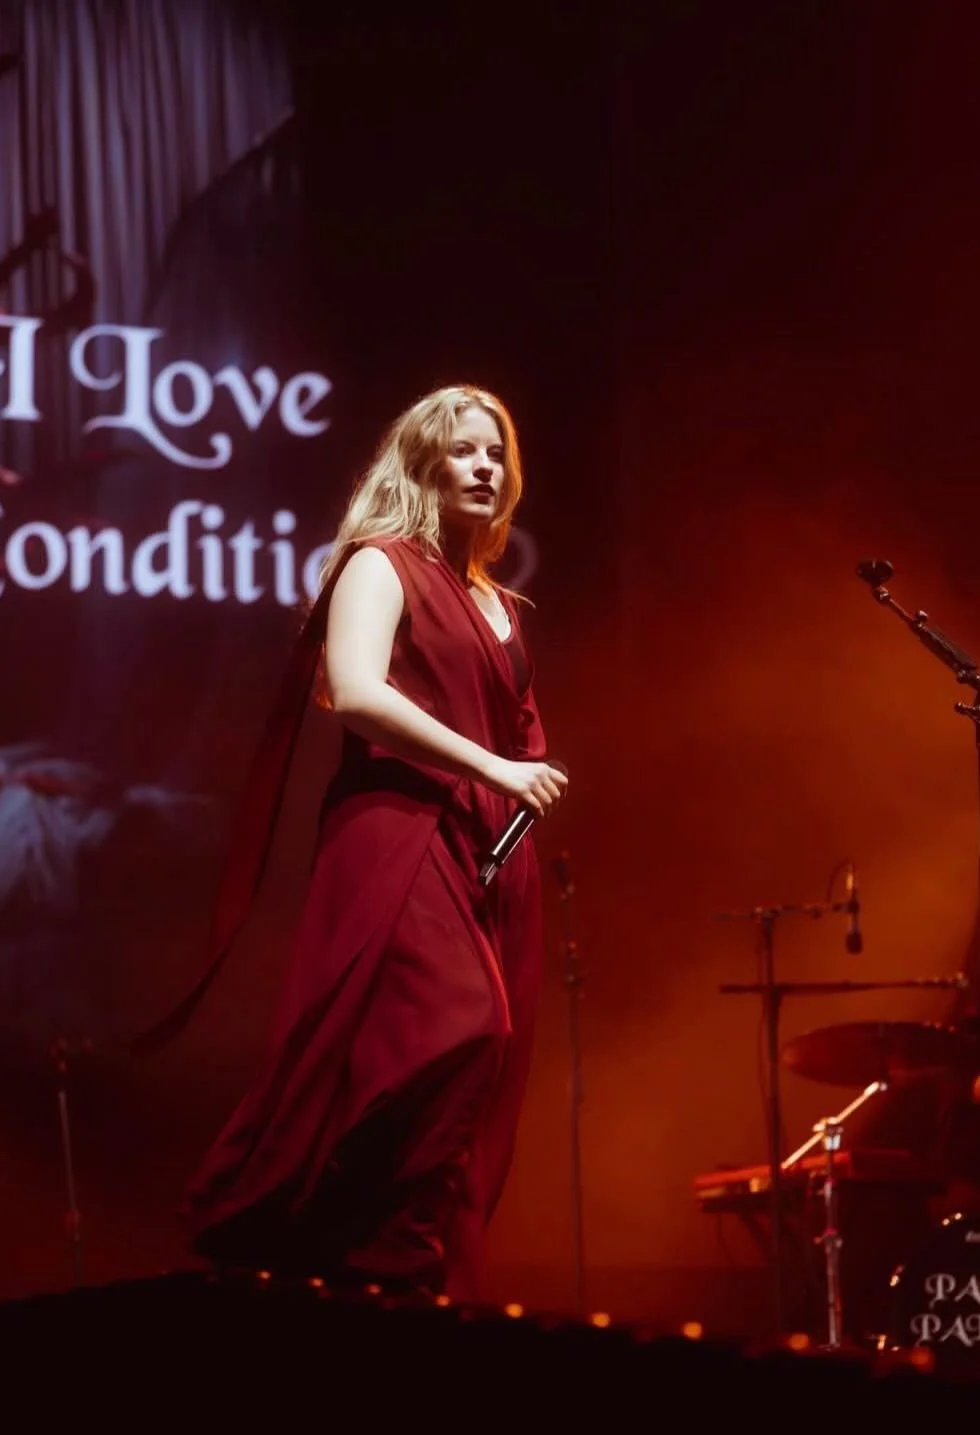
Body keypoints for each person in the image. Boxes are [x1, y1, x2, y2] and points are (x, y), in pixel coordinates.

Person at [184, 383, 567, 1299]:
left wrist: (514, 784)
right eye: (465, 449)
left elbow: (516, 728)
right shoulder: (379, 563)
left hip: (484, 844)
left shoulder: (500, 601)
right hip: (398, 828)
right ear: (425, 462)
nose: (484, 465)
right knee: (460, 1025)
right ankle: (352, 1239)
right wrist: (494, 766)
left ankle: (404, 1265)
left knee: (476, 1061)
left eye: (496, 453)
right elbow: (351, 690)